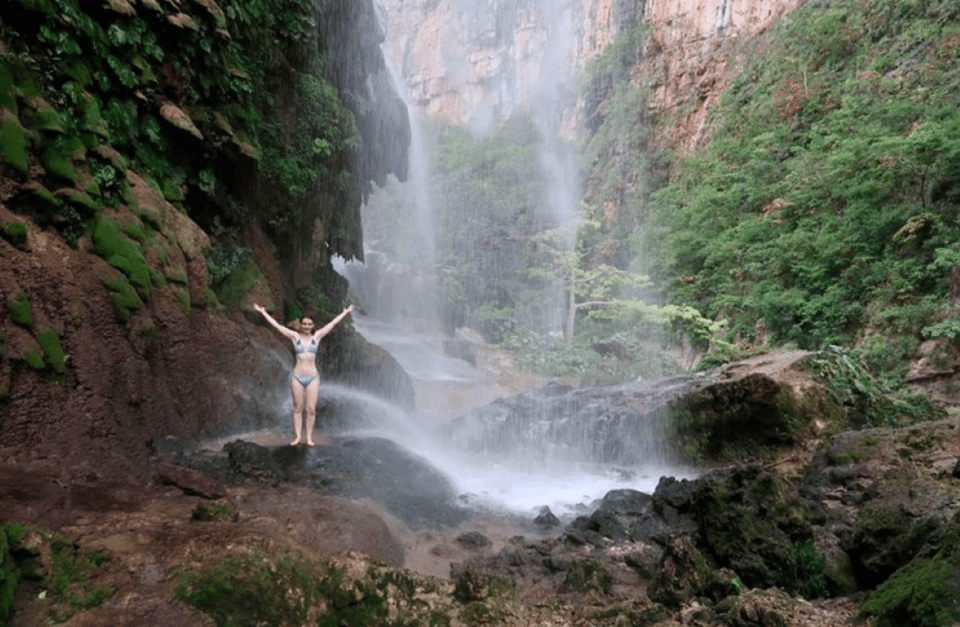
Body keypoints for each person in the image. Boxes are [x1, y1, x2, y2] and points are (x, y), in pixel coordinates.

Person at [253, 302, 354, 446]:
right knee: (297, 407)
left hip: (313, 377)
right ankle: (298, 437)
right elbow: (277, 326)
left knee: (311, 409)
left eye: (309, 324)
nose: (306, 326)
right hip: (297, 376)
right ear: (300, 325)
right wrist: (263, 312)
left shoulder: (317, 337)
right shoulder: (294, 336)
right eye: (304, 324)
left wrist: (345, 312)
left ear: (313, 325)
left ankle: (309, 438)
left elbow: (332, 324)